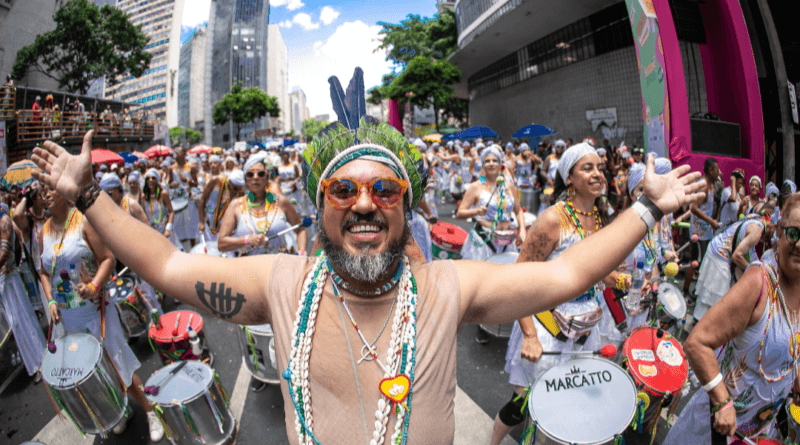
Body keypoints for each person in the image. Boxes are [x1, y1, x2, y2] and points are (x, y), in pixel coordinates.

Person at [33, 105, 702, 444]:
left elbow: (568, 274)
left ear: (406, 209)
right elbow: (172, 263)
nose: (363, 201)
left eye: (385, 189)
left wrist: (646, 205)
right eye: (343, 189)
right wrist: (89, 195)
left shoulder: (444, 287)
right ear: (321, 205)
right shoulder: (283, 282)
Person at [488, 142, 620, 445]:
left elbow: (597, 271)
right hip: (545, 326)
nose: (598, 174)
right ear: (569, 178)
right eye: (587, 168)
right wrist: (530, 336)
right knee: (524, 404)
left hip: (586, 327)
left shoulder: (601, 219)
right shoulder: (551, 220)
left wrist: (624, 280)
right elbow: (518, 279)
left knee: (567, 403)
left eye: (600, 167)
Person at [664, 194, 800, 443]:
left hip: (757, 428)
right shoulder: (758, 282)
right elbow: (697, 343)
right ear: (779, 233)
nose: (799, 244)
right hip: (716, 429)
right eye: (794, 233)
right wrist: (722, 401)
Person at [99, 173, 163, 314]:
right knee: (130, 302)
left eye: (110, 193)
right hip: (121, 266)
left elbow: (148, 230)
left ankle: (159, 329)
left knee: (149, 299)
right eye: (104, 194)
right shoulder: (105, 211)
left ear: (120, 190)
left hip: (139, 260)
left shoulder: (131, 205)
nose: (107, 197)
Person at [693, 212, 771, 321]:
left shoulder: (755, 216)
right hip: (720, 254)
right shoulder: (756, 231)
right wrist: (756, 273)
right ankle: (703, 325)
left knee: (709, 296)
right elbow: (737, 256)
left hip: (716, 247)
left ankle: (699, 320)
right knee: (717, 299)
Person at [0, 202, 46, 381]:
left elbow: (4, 254)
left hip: (11, 281)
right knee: (16, 325)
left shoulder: (3, 220)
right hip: (4, 283)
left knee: (24, 320)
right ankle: (34, 364)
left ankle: (42, 361)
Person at [457, 145, 526, 263]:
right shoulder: (475, 187)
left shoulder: (509, 186)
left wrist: (523, 229)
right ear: (483, 164)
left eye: (495, 160)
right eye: (487, 161)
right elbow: (460, 213)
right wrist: (476, 211)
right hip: (484, 241)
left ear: (500, 164)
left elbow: (518, 211)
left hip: (507, 240)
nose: (491, 163)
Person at [683, 157, 720, 301]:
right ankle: (685, 291)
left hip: (705, 233)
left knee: (702, 263)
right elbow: (693, 208)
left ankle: (698, 292)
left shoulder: (711, 184)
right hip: (698, 234)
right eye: (716, 169)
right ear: (710, 171)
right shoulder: (703, 185)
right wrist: (710, 221)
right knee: (695, 262)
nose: (718, 172)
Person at [141, 168, 181, 249]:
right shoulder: (143, 197)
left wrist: (168, 229)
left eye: (153, 178)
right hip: (152, 232)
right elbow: (144, 214)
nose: (150, 180)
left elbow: (171, 212)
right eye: (148, 178)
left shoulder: (163, 194)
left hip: (165, 231)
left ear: (157, 180)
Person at [198, 155, 231, 241]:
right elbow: (202, 200)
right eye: (211, 163)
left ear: (220, 165)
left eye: (215, 163)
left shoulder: (225, 177)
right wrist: (201, 221)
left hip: (223, 211)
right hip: (211, 213)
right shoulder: (208, 179)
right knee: (211, 239)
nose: (213, 165)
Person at [719, 168, 745, 232]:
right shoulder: (726, 191)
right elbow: (733, 198)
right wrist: (733, 182)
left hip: (733, 229)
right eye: (739, 183)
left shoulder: (738, 195)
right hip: (724, 229)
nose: (740, 186)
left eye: (742, 183)